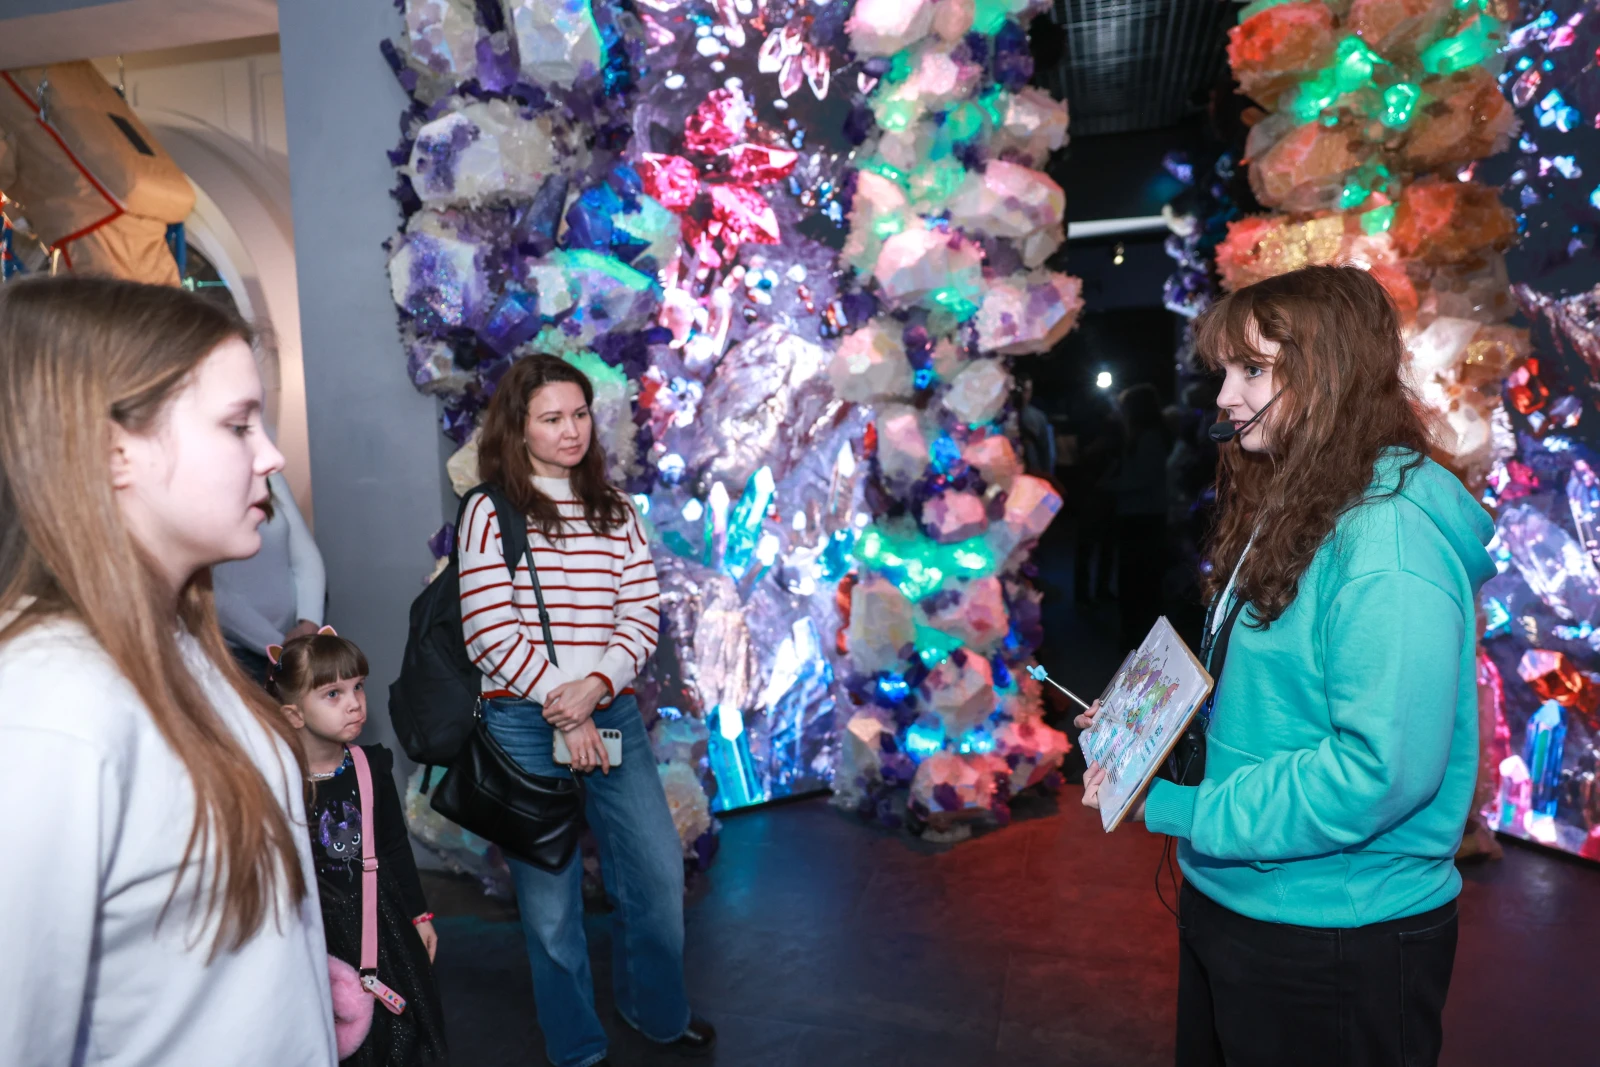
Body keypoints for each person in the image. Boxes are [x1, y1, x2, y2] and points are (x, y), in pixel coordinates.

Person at [1078, 265, 1493, 1067]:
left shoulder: (1388, 545)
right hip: (1245, 895)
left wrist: (1181, 807)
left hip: (1333, 933)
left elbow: (1376, 773)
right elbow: (1271, 696)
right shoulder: (1306, 497)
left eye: (1253, 370)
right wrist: (1147, 731)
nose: (1225, 396)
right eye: (1226, 370)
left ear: (1329, 374)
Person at [0, 276, 336, 1064]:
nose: (272, 454)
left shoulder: (178, 643)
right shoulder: (50, 706)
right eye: (237, 425)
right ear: (114, 452)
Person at [458, 354, 713, 1067]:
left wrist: (596, 687)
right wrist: (564, 706)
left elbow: (640, 616)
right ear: (518, 427)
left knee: (657, 877)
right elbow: (487, 631)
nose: (571, 431)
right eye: (552, 418)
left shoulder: (617, 509)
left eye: (579, 415)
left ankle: (656, 1011)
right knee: (549, 908)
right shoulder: (489, 511)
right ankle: (576, 1045)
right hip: (522, 720)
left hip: (611, 711)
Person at [269, 630, 448, 1066]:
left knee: (397, 1038)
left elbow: (393, 846)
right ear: (293, 714)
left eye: (358, 687)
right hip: (313, 930)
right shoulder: (276, 779)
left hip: (378, 923)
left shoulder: (371, 766)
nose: (354, 703)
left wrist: (418, 915)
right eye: (333, 694)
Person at [215, 469, 326, 685]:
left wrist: (309, 623)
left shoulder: (268, 474)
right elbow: (210, 594)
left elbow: (305, 554)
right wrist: (279, 645)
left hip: (299, 643)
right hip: (239, 657)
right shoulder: (192, 487)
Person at [1101, 383, 1171, 647]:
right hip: (1142, 515)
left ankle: (1139, 637)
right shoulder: (1144, 436)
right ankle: (1139, 635)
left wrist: (1110, 486)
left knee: (1139, 580)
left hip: (1143, 516)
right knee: (1139, 579)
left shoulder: (1148, 438)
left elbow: (1143, 478)